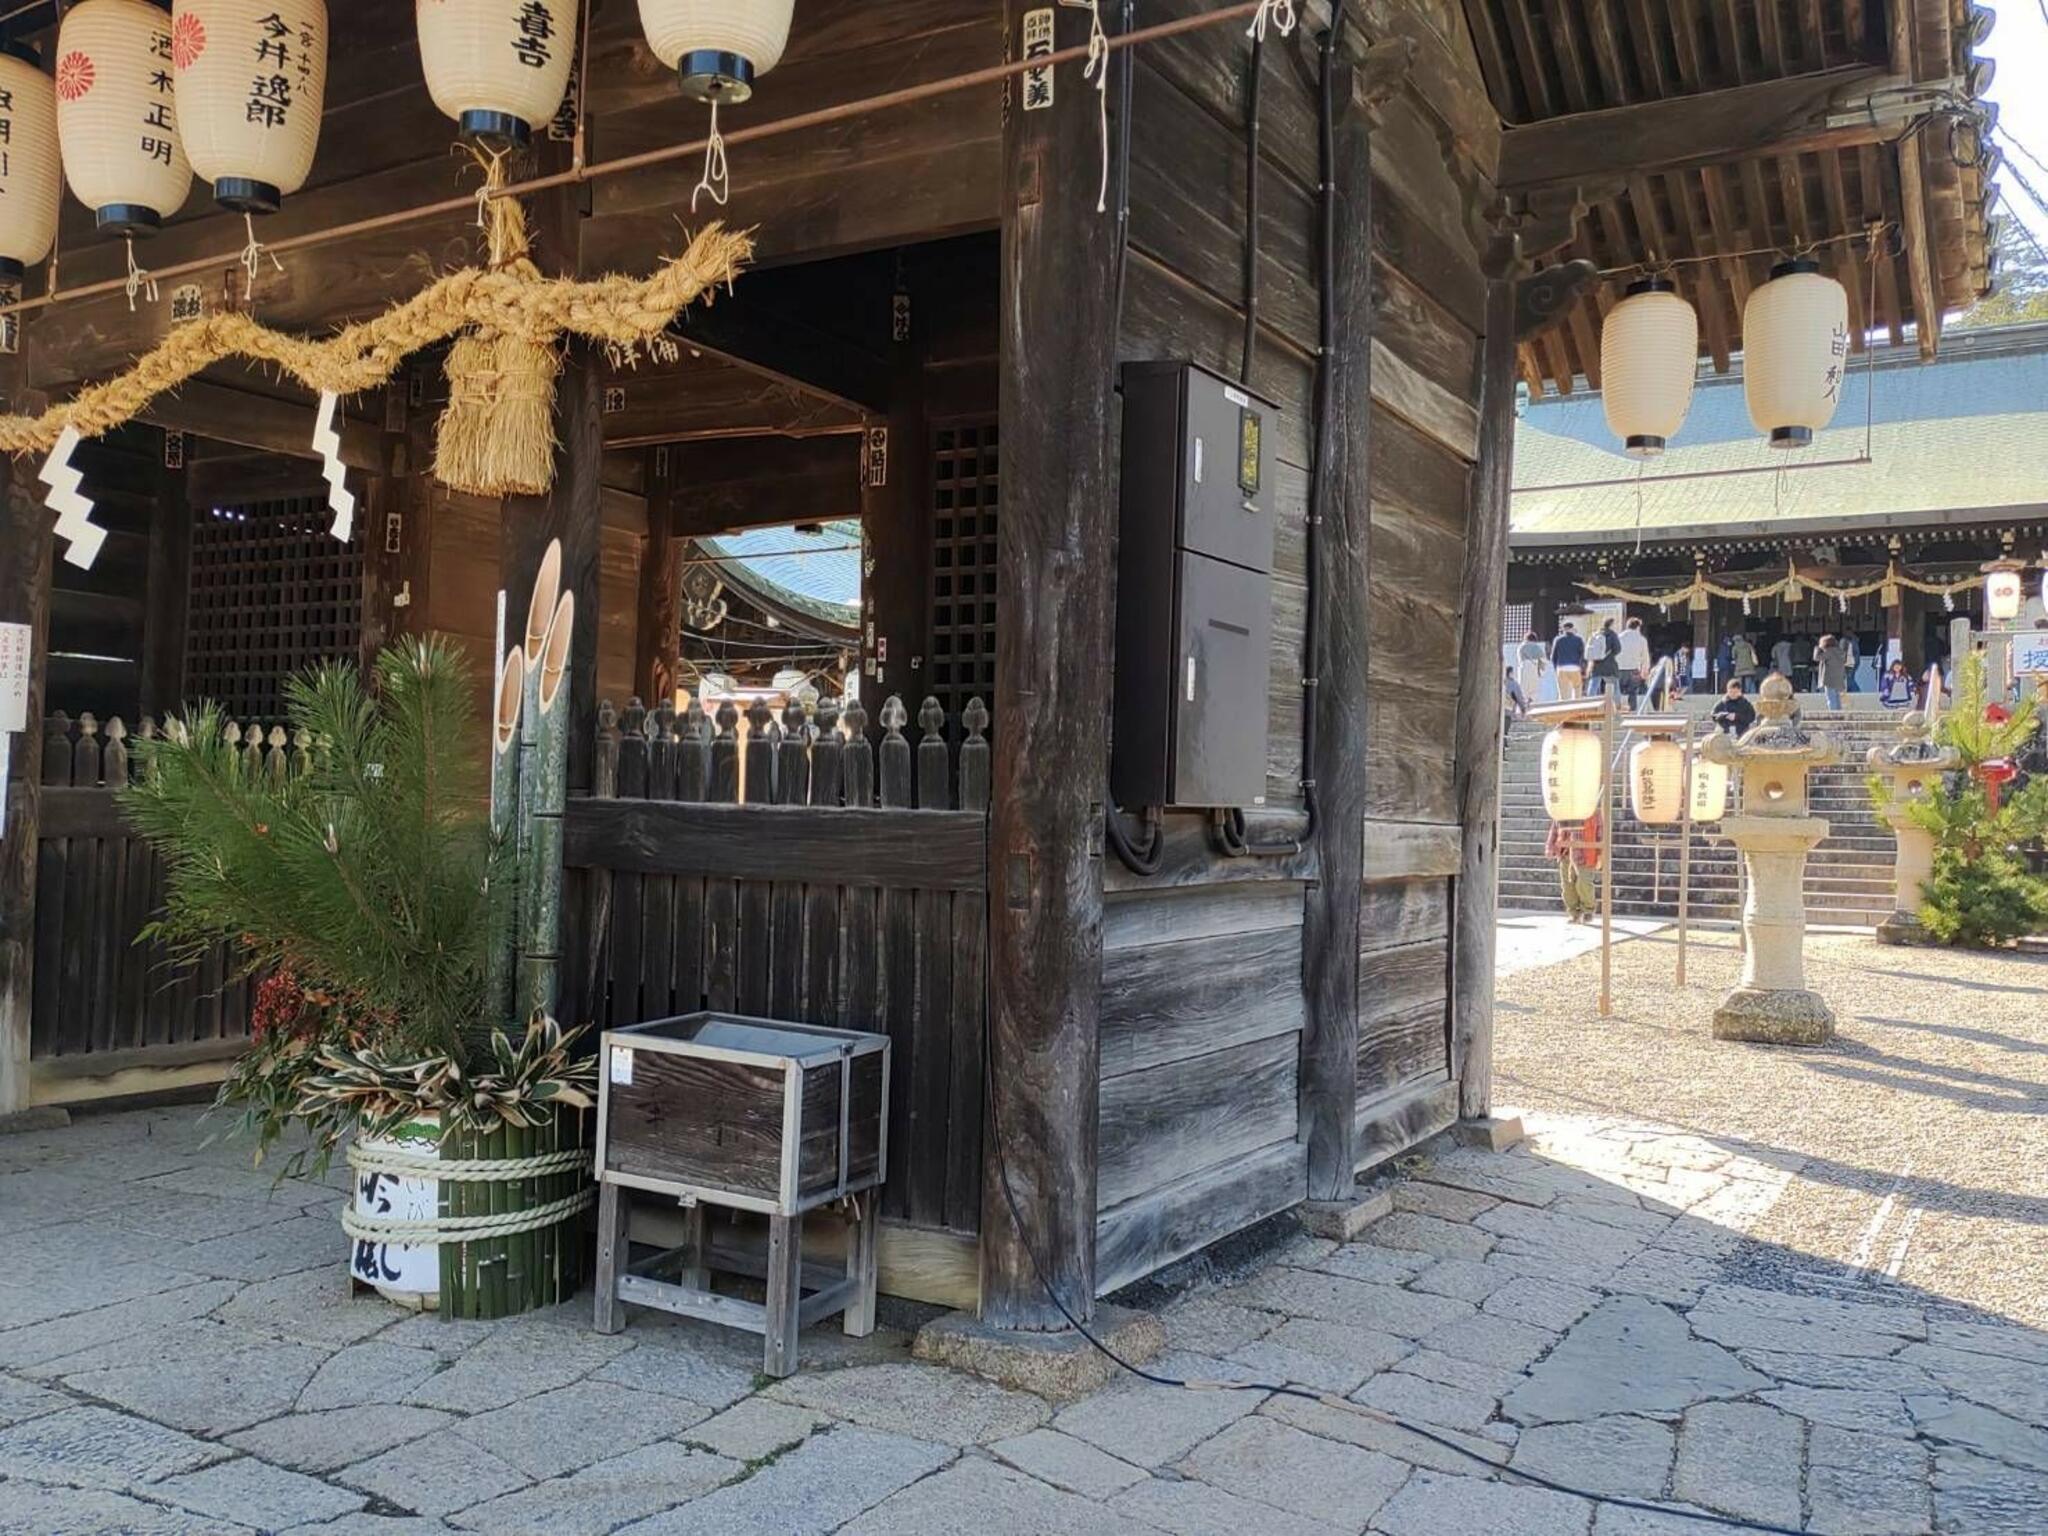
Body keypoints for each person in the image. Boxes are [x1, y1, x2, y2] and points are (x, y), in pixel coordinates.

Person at [1546, 810, 1602, 924]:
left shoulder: (1593, 810)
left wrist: (1601, 854)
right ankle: (1574, 913)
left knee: (1584, 883)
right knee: (1567, 887)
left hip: (1586, 853)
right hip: (1565, 853)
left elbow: (1601, 833)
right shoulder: (1563, 808)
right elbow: (1554, 829)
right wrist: (1550, 847)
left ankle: (1588, 910)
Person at [1615, 617, 1651, 706]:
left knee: (1617, 691)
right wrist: (1645, 671)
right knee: (1633, 693)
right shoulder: (1642, 639)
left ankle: (1616, 710)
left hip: (1619, 668)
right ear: (1638, 627)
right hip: (1634, 669)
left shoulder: (1619, 637)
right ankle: (1632, 711)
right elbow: (1645, 657)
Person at [1550, 622, 1585, 699]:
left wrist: (1556, 668)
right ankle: (1577, 707)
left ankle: (1563, 708)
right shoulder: (1579, 640)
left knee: (1563, 693)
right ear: (1572, 629)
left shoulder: (1558, 640)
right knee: (1577, 689)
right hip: (1575, 667)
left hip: (1561, 667)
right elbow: (1582, 655)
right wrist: (1582, 667)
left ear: (1563, 629)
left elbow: (1553, 657)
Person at [1588, 618, 1620, 697]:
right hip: (1609, 663)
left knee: (1593, 685)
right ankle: (1616, 705)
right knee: (1614, 685)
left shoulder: (1595, 634)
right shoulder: (1612, 634)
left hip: (1596, 663)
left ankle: (1589, 703)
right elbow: (1617, 649)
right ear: (1611, 625)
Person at [1517, 631, 1547, 702]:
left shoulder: (1521, 647)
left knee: (1523, 689)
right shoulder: (1537, 648)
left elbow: (1519, 659)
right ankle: (1531, 703)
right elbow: (1543, 660)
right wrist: (1542, 671)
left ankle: (1523, 706)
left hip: (1523, 667)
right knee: (1534, 690)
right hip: (1534, 667)